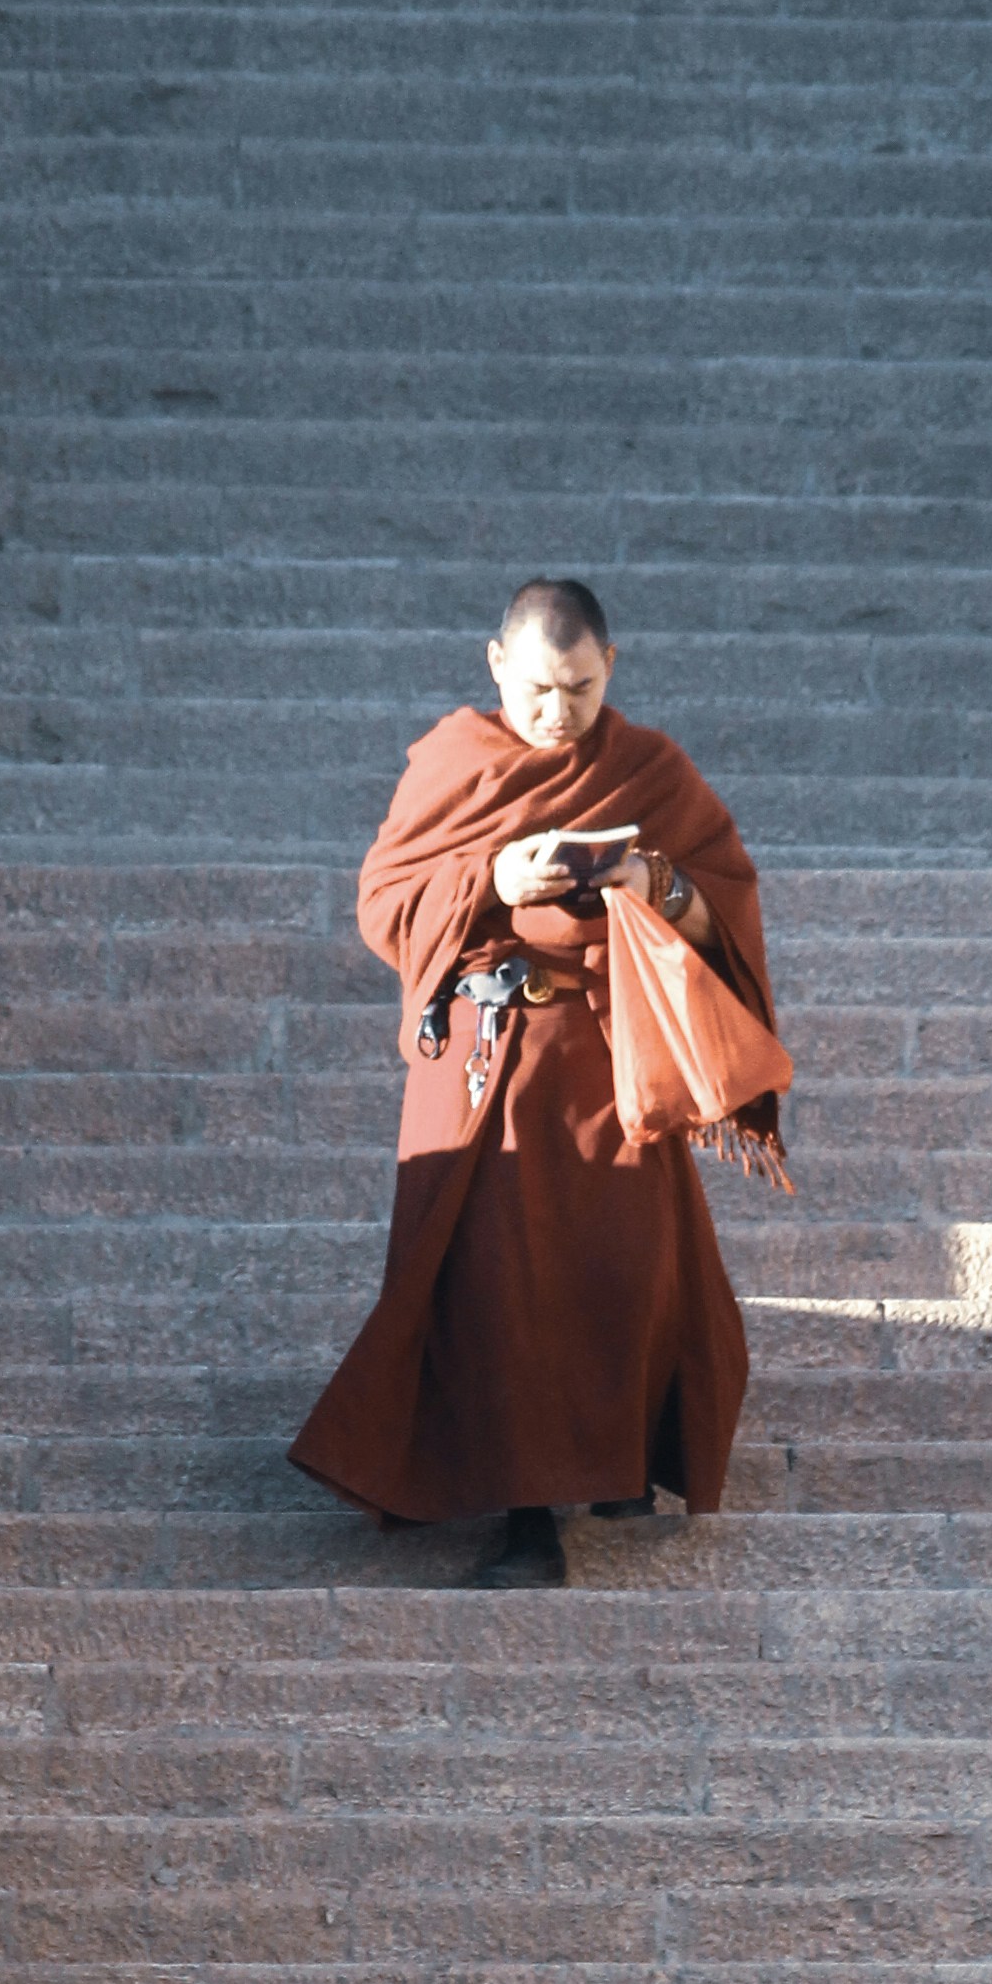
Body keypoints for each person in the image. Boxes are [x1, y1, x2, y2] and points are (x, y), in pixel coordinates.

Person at [293, 579, 784, 1588]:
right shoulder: (452, 763)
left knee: (621, 1266)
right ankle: (523, 1518)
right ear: (493, 668)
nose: (558, 714)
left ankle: (619, 1464)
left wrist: (659, 886)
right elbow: (382, 905)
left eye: (581, 689)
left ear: (612, 670)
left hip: (607, 1055)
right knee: (497, 1286)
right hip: (486, 1058)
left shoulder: (648, 767)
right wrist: (490, 882)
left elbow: (722, 903)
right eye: (537, 692)